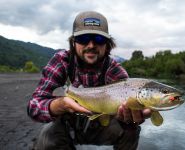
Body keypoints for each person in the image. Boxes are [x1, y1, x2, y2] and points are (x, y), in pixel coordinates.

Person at [27, 11, 152, 150]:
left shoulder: (115, 70)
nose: (91, 45)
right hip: (68, 127)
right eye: (83, 38)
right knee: (47, 136)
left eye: (99, 39)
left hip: (102, 126)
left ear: (107, 44)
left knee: (131, 130)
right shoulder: (62, 61)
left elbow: (128, 113)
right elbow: (34, 107)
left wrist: (130, 118)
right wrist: (59, 105)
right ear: (73, 42)